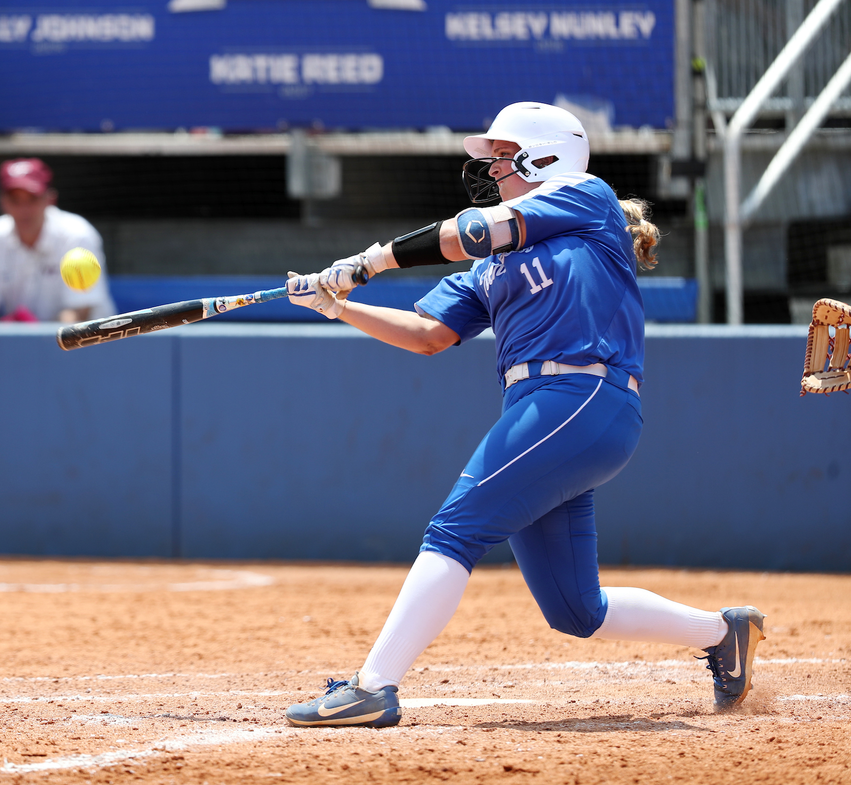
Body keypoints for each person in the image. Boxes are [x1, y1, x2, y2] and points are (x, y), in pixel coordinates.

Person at [282, 101, 766, 727]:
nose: (494, 170)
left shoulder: (584, 199)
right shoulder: (492, 270)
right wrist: (336, 305)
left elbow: (470, 231)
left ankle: (374, 686)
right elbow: (428, 333)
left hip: (580, 397)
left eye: (505, 157)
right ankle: (721, 632)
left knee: (454, 529)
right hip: (547, 413)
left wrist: (369, 263)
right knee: (574, 610)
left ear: (546, 157)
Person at [0, 158, 114, 325]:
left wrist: (32, 340)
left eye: (32, 199)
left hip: (88, 346)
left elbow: (80, 312)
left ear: (50, 199)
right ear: (2, 202)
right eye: (15, 200)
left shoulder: (77, 235)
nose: (24, 209)